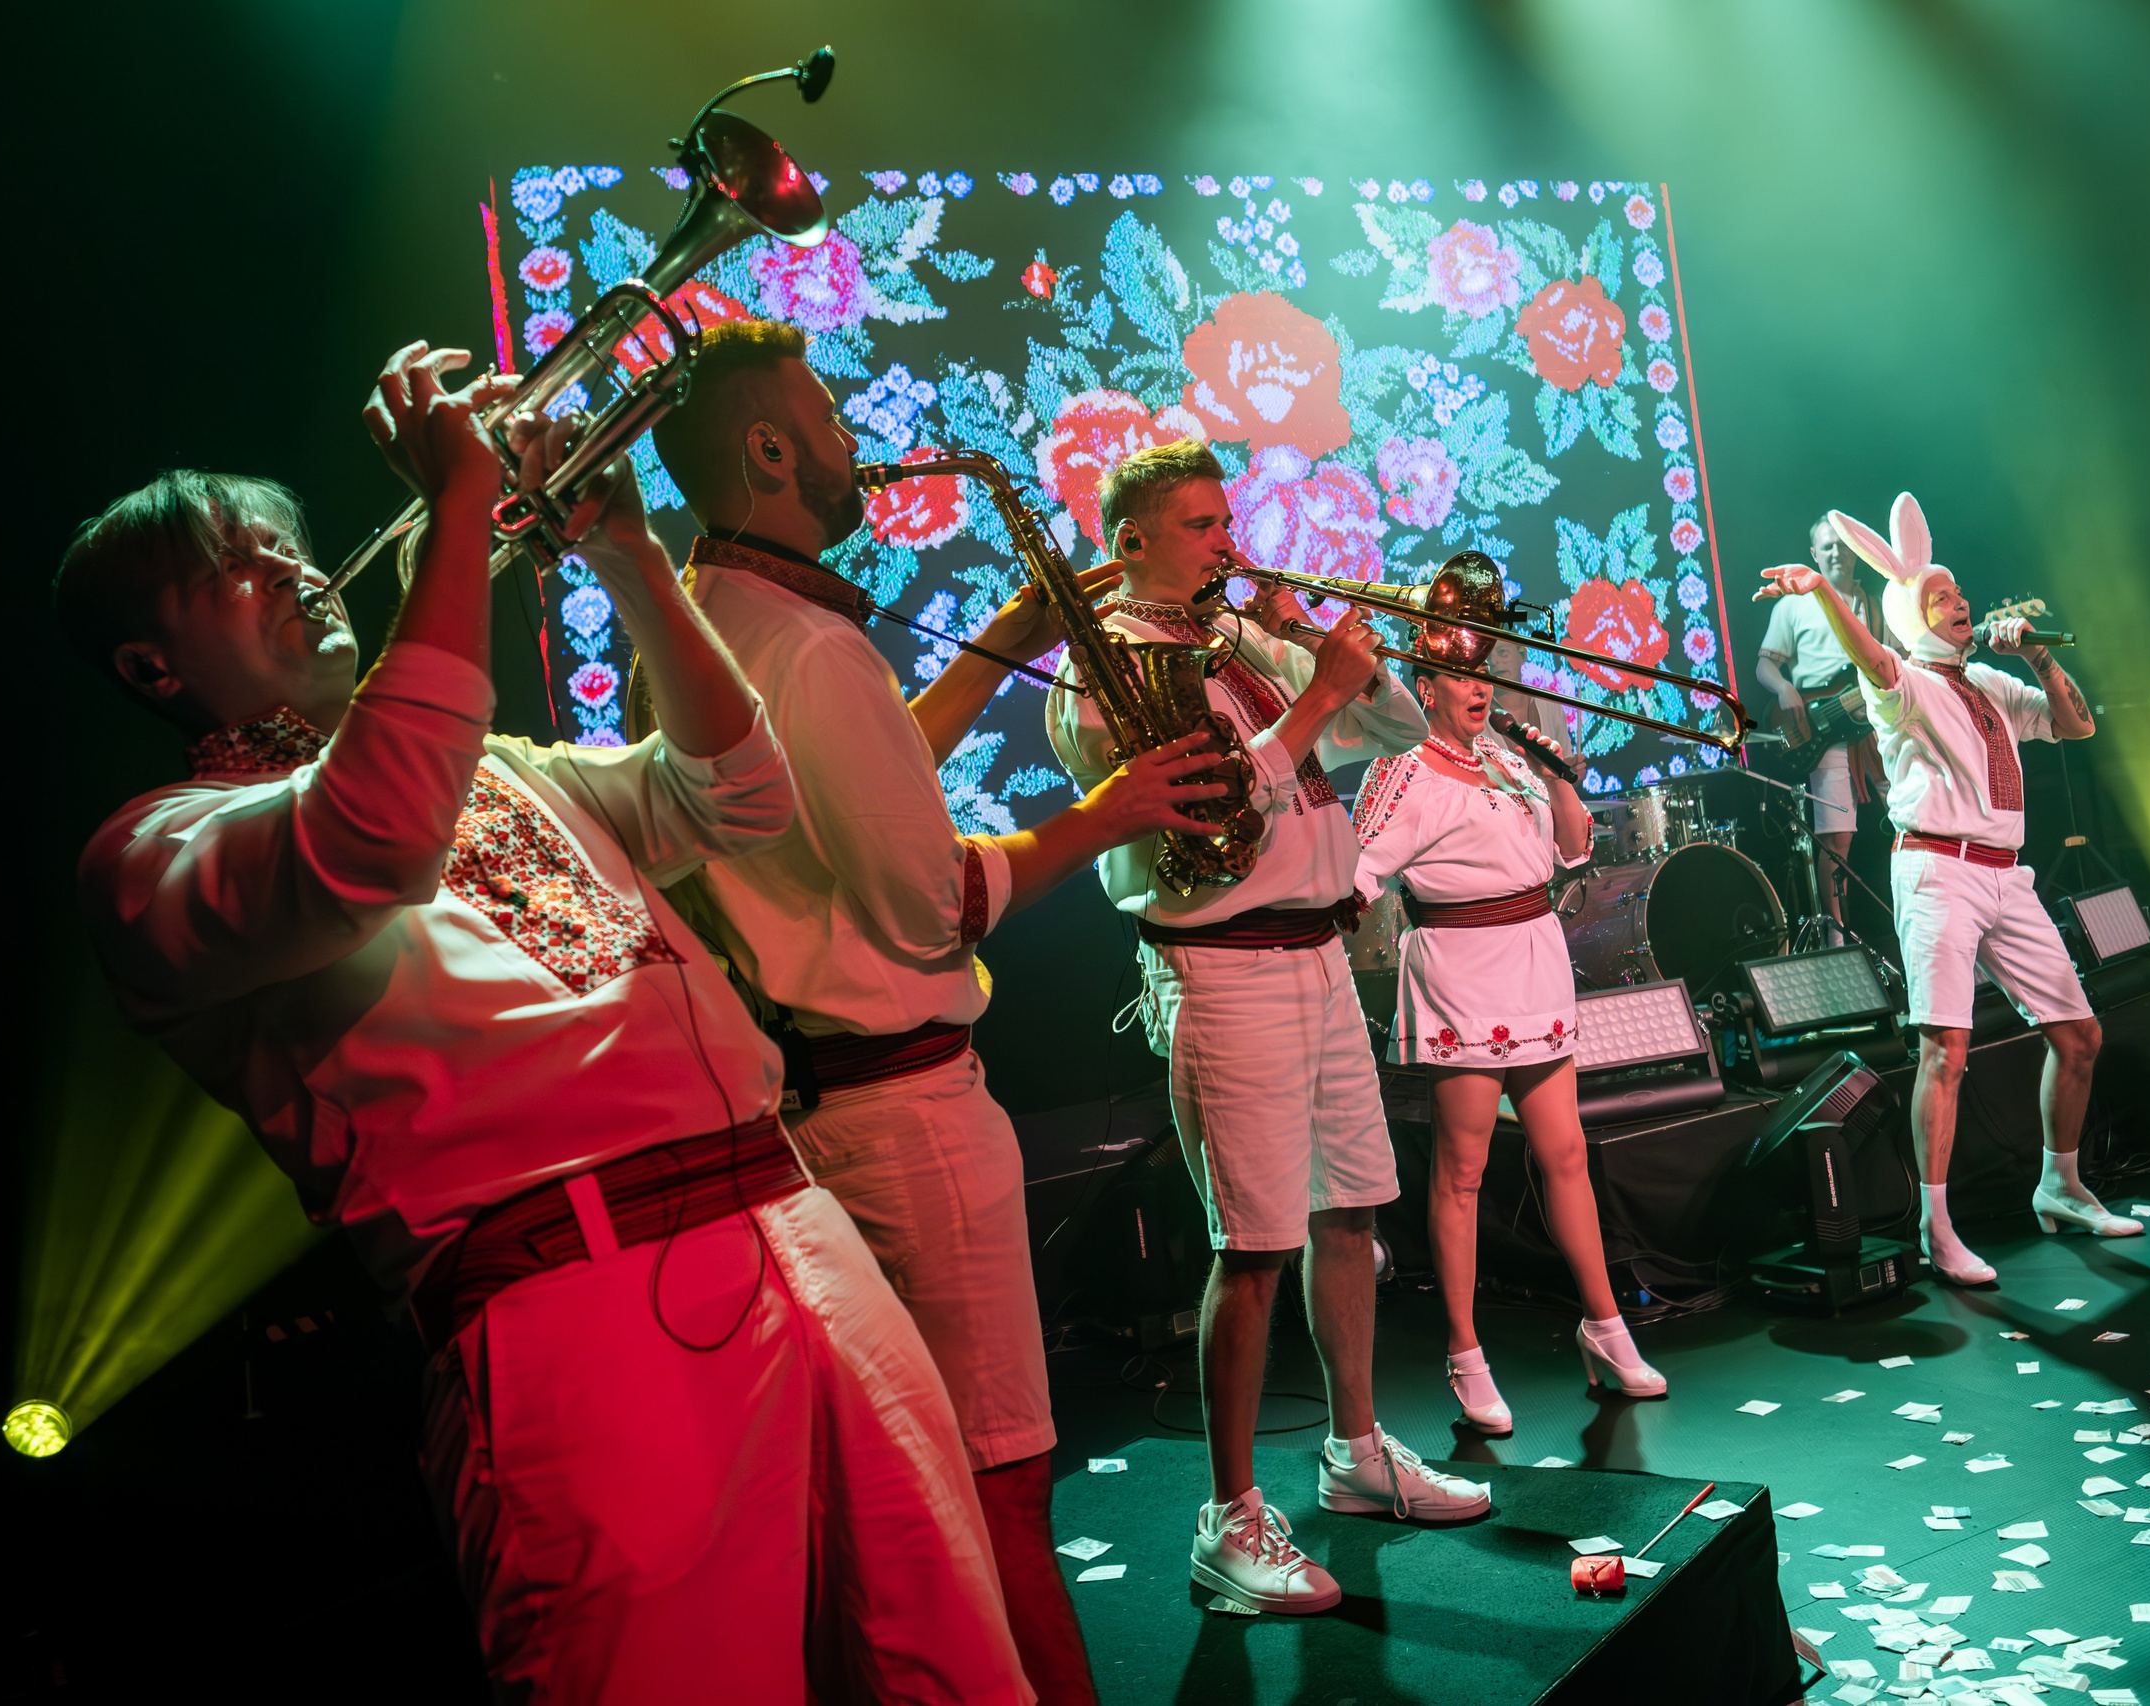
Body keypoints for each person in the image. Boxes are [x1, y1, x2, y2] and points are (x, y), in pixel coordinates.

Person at [63, 344, 1030, 1703]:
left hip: (793, 1226)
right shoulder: (156, 850)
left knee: (943, 1661)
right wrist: (459, 513)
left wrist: (634, 557)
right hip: (566, 1300)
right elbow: (372, 836)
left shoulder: (501, 767)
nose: (293, 568)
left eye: (288, 540)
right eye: (235, 561)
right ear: (150, 664)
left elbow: (739, 793)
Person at [644, 319, 1227, 1701]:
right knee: (1003, 1480)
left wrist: (990, 647)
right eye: (830, 419)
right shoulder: (808, 641)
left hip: (827, 1112)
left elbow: (859, 772)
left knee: (919, 1490)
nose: (857, 440)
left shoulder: (722, 614)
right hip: (907, 1112)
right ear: (770, 450)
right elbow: (924, 904)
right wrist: (1106, 816)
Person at [1046, 438, 1491, 1617]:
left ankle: (1355, 1452)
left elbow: (1398, 730)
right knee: (1253, 1246)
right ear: (1129, 539)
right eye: (1198, 525)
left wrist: (1300, 632)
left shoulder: (1233, 638)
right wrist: (1316, 694)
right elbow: (1208, 809)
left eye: (1223, 518)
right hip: (1224, 967)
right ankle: (1229, 1517)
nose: (1224, 542)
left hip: (1319, 956)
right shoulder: (1104, 664)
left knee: (1349, 1208)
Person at [1756, 492, 2129, 1288]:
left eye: (1960, 594)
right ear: (1911, 615)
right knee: (1946, 1052)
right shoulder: (1907, 684)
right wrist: (1822, 590)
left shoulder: (1991, 682)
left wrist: (2041, 658)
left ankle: (2059, 1185)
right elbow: (1870, 658)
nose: (1959, 604)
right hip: (1938, 870)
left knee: (2081, 1037)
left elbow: (2077, 727)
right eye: (1940, 598)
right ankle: (1937, 1223)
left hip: (2007, 874)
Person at [1349, 637, 1665, 1432]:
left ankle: (1606, 1328)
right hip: (1461, 968)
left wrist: (1558, 776)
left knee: (1564, 1154)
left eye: (1480, 674)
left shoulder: (1510, 753)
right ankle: (1465, 1355)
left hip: (1535, 957)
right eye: (1456, 676)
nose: (1475, 689)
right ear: (1424, 687)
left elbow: (1572, 848)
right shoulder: (1401, 767)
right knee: (1463, 1170)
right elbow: (1355, 869)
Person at [1755, 514, 1887, 927]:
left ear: (1855, 552)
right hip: (1822, 729)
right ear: (1813, 554)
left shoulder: (1877, 606)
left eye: (1843, 545)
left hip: (1878, 728)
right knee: (1837, 839)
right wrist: (1783, 688)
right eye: (1827, 546)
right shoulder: (1793, 605)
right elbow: (1764, 666)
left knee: (1911, 812)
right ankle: (1837, 935)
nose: (1836, 553)